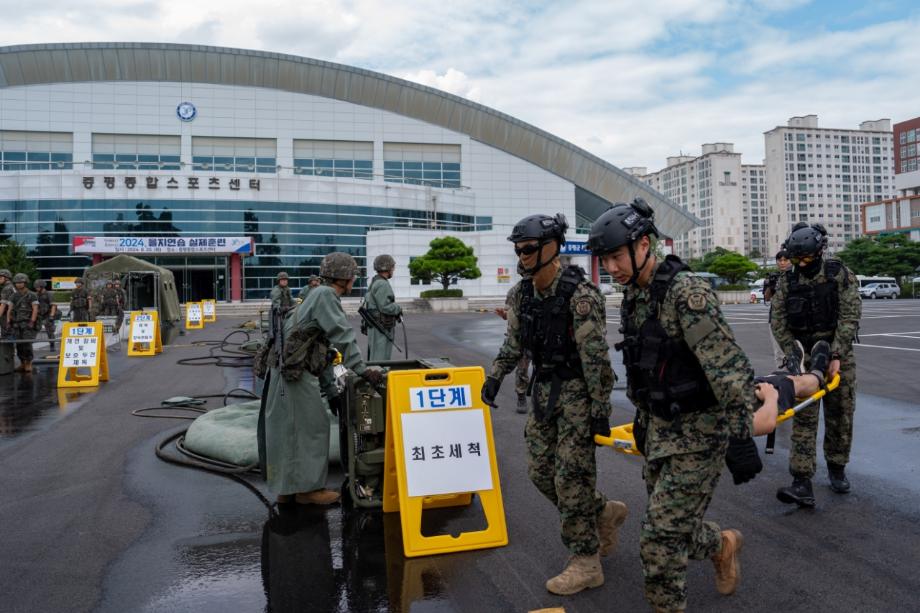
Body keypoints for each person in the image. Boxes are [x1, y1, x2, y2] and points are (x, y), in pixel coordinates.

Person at [588, 199, 762, 613]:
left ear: (644, 244)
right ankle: (721, 545)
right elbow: (647, 365)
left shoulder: (687, 293)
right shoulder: (635, 295)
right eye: (605, 259)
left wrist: (740, 437)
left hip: (701, 433)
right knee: (675, 528)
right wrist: (644, 420)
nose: (611, 268)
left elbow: (730, 368)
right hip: (661, 430)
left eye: (616, 257)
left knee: (659, 538)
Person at [481, 213, 627, 596]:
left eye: (528, 248)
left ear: (552, 248)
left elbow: (596, 360)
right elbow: (514, 342)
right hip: (544, 392)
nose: (522, 255)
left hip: (578, 393)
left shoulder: (580, 296)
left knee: (570, 479)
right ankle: (603, 512)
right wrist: (495, 376)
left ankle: (585, 561)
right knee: (540, 473)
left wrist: (600, 412)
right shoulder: (521, 294)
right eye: (518, 249)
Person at [263, 252, 384, 505]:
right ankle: (308, 491)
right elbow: (341, 334)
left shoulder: (313, 295)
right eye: (352, 276)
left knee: (290, 430)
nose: (354, 280)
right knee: (312, 429)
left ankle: (288, 490)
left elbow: (322, 350)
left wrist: (330, 391)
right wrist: (362, 369)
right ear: (346, 278)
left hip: (287, 373)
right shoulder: (326, 295)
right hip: (294, 375)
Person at [770, 222, 862, 507]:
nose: (802, 264)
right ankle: (801, 481)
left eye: (807, 259)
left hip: (837, 356)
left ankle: (837, 468)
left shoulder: (839, 275)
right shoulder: (787, 281)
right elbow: (778, 321)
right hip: (804, 356)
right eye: (797, 260)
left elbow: (850, 317)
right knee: (804, 419)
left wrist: (835, 355)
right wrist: (792, 352)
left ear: (820, 252)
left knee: (840, 416)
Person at [752, 339, 831, 437]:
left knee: (770, 380)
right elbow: (765, 423)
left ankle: (791, 371)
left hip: (744, 390)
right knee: (789, 384)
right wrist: (770, 397)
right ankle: (818, 372)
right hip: (750, 403)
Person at [495, 273, 531, 414]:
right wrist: (504, 315)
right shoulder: (515, 291)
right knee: (522, 368)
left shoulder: (544, 288)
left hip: (538, 335)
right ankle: (521, 396)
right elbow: (508, 314)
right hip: (519, 336)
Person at [363, 254, 403, 362]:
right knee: (381, 358)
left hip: (376, 325)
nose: (393, 270)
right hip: (381, 327)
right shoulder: (382, 284)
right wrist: (398, 308)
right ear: (387, 268)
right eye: (392, 267)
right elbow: (385, 307)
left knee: (376, 356)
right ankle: (380, 378)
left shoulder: (375, 281)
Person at [764, 249, 793, 368]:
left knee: (796, 351)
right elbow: (766, 298)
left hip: (793, 319)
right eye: (779, 260)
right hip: (775, 320)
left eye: (785, 260)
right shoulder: (773, 277)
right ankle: (782, 379)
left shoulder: (796, 276)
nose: (782, 263)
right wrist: (771, 286)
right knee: (779, 353)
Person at [8, 274, 38, 373]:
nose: (18, 284)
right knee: (19, 344)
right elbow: (10, 309)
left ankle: (29, 362)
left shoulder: (32, 294)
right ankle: (22, 363)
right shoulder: (13, 295)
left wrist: (32, 321)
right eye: (17, 283)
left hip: (27, 322)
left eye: (20, 282)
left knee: (27, 343)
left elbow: (35, 309)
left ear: (25, 283)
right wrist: (8, 321)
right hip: (16, 323)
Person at [34, 280, 57, 351]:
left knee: (50, 331)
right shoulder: (36, 295)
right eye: (36, 287)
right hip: (39, 315)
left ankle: (52, 345)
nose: (36, 289)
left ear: (42, 287)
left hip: (47, 315)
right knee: (33, 330)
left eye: (37, 287)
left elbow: (53, 305)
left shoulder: (48, 294)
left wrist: (52, 315)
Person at [0, 269, 13, 336]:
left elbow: (3, 305)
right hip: (13, 315)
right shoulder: (12, 286)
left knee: (6, 336)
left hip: (7, 316)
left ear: (6, 278)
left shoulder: (7, 288)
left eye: (1, 277)